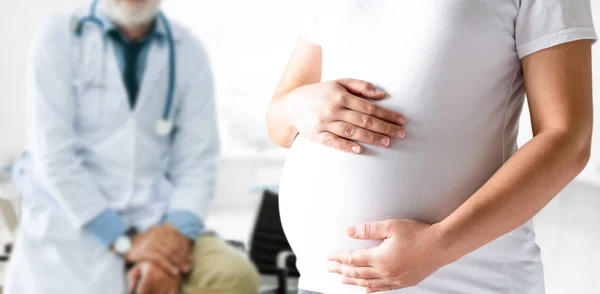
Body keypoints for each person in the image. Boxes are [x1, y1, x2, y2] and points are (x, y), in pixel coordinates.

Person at [267, 1, 596, 293]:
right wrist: (298, 105)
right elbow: (279, 123)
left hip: (466, 281)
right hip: (323, 283)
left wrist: (438, 245)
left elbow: (567, 139)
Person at [5, 0, 260, 293]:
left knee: (232, 276)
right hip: (72, 222)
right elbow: (54, 155)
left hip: (155, 218)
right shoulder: (59, 35)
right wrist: (127, 242)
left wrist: (173, 241)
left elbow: (197, 162)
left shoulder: (188, 50)